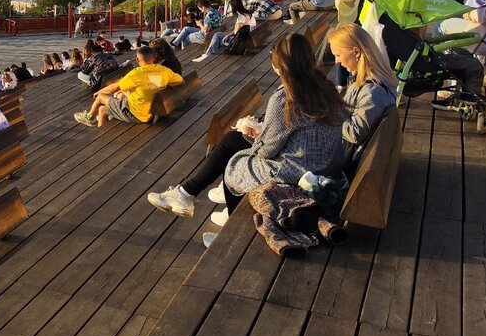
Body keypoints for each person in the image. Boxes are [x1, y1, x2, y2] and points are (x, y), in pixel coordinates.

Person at [146, 33, 345, 230]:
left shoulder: (287, 98)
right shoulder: (325, 88)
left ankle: (230, 226)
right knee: (232, 140)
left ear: (280, 66)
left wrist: (257, 138)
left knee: (235, 165)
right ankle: (187, 193)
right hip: (324, 164)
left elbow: (268, 151)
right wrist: (260, 137)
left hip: (299, 172)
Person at [75, 46, 183, 126]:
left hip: (137, 113)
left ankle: (89, 117)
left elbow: (116, 86)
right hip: (152, 111)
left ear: (137, 60)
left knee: (101, 97)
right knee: (103, 109)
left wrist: (99, 92)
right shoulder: (163, 70)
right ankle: (101, 131)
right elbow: (180, 81)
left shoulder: (137, 73)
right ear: (153, 58)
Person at [328, 24, 398, 147]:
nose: (337, 61)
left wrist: (327, 115)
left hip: (348, 154)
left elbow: (355, 133)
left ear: (356, 52)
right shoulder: (375, 77)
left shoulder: (373, 92)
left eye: (338, 55)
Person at [193, 0, 257, 62]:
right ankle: (208, 53)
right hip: (249, 36)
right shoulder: (247, 14)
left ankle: (208, 54)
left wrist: (228, 35)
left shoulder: (241, 18)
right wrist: (227, 35)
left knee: (217, 39)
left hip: (242, 40)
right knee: (217, 36)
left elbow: (236, 33)